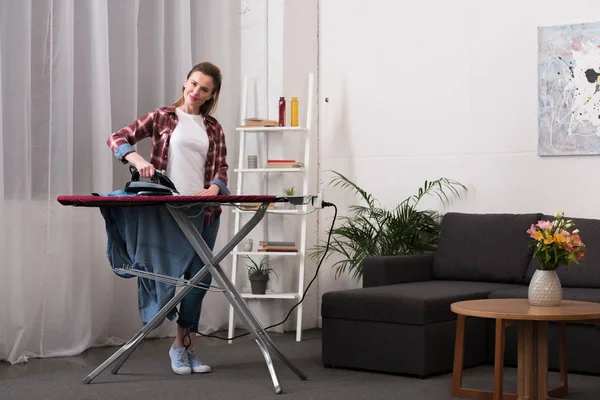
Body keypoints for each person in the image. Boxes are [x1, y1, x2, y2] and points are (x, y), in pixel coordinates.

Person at [106, 61, 229, 375]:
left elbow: (221, 169)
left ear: (211, 95)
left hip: (204, 211)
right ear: (185, 82)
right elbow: (118, 138)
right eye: (193, 83)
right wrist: (136, 159)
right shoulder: (162, 116)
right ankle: (161, 330)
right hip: (167, 210)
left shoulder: (213, 127)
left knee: (200, 279)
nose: (195, 91)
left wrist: (215, 188)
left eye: (204, 89)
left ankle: (184, 347)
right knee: (167, 275)